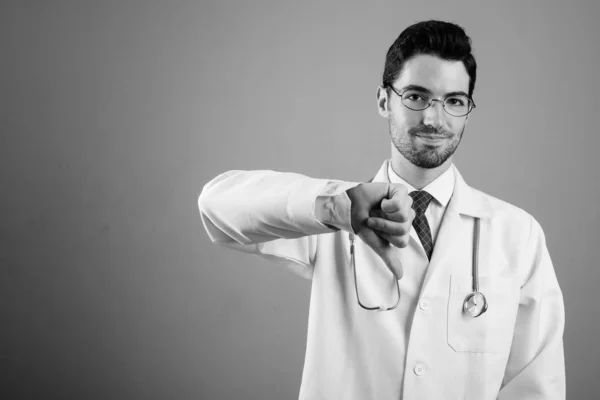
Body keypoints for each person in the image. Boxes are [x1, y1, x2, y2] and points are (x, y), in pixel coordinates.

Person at [198, 20, 565, 400]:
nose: (434, 119)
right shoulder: (333, 215)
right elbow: (216, 208)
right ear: (383, 100)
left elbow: (538, 385)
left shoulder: (517, 235)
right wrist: (335, 207)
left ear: (468, 111)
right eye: (416, 96)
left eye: (454, 101)